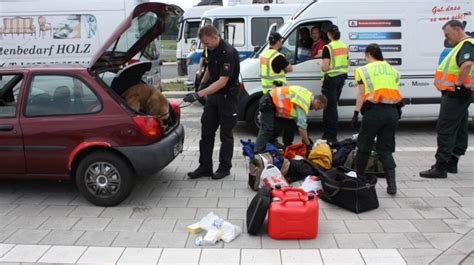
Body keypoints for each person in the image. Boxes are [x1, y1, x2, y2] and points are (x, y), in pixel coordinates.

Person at [183, 25, 240, 180]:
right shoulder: (211, 48)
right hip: (213, 98)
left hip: (227, 98)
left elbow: (222, 82)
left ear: (215, 37)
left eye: (207, 43)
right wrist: (202, 83)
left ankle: (224, 168)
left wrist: (198, 94)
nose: (205, 46)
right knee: (206, 132)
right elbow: (209, 67)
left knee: (225, 135)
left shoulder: (228, 53)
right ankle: (205, 166)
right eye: (204, 44)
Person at [420, 20, 473, 179]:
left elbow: (467, 64)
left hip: (455, 95)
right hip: (461, 94)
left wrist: (457, 84)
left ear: (457, 29)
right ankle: (452, 162)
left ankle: (440, 167)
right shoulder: (461, 45)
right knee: (460, 127)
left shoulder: (467, 45)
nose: (446, 38)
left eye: (447, 34)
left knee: (445, 128)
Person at [351, 43, 403, 195]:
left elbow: (361, 94)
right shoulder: (392, 70)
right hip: (392, 112)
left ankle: (359, 179)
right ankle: (391, 185)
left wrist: (356, 112)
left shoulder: (363, 70)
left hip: (374, 113)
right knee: (385, 150)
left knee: (364, 146)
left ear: (368, 55)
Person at [254, 85, 327, 154]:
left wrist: (306, 137)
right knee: (267, 128)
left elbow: (298, 121)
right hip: (268, 102)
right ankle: (258, 151)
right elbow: (301, 128)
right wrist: (308, 144)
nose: (316, 110)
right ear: (318, 102)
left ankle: (286, 145)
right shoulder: (304, 102)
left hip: (274, 103)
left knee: (290, 124)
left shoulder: (308, 95)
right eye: (319, 108)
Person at [320, 24, 349, 143]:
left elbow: (325, 68)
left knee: (329, 108)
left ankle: (330, 135)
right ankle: (331, 134)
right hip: (341, 78)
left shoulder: (328, 48)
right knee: (333, 106)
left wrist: (321, 65)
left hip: (331, 79)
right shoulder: (344, 46)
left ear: (329, 34)